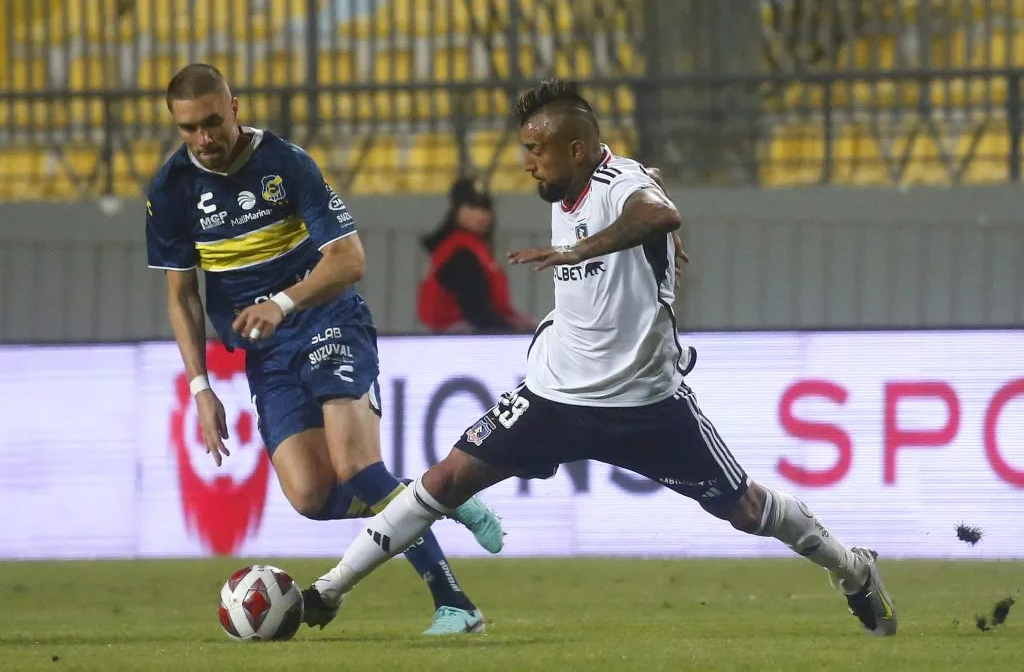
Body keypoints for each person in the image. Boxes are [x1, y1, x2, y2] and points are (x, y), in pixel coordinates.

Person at [301, 79, 898, 637]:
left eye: (537, 149)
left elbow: (657, 212)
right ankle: (327, 591)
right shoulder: (570, 183)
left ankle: (852, 568)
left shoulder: (618, 186)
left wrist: (586, 247)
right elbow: (650, 201)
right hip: (554, 396)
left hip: (645, 405)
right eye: (525, 148)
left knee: (744, 509)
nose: (526, 161)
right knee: (447, 478)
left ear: (579, 149)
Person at [145, 63, 503, 636]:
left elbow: (350, 259)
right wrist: (200, 386)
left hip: (325, 319)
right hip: (265, 351)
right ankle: (435, 496)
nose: (204, 138)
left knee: (356, 467)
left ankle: (455, 604)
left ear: (235, 108)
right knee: (312, 495)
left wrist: (282, 302)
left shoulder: (285, 164)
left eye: (213, 121)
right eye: (189, 128)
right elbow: (182, 296)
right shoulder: (170, 191)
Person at [417, 176, 534, 333]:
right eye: (472, 207)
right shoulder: (461, 253)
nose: (482, 215)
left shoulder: (467, 246)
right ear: (457, 211)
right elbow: (477, 313)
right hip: (461, 338)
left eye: (486, 208)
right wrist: (513, 328)